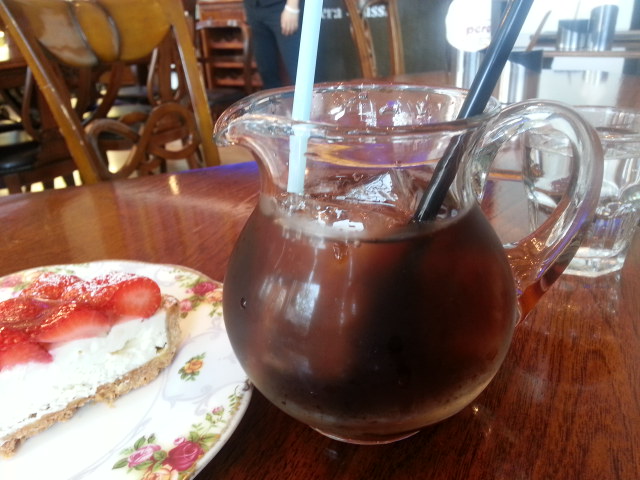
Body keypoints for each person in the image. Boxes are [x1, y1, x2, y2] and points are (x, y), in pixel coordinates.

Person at [243, 0, 303, 89]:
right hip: (253, 7)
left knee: (299, 71)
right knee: (267, 72)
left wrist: (292, 6)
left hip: (282, 6)